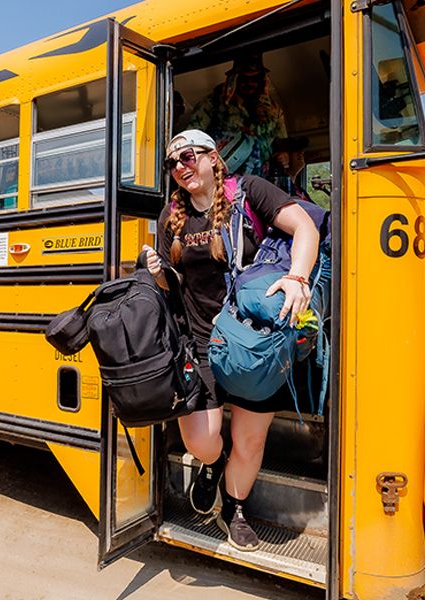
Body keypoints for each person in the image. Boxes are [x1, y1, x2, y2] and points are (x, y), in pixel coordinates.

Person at [143, 130, 319, 551]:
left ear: (212, 157)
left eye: (187, 156)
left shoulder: (249, 192)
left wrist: (297, 277)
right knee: (201, 441)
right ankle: (212, 464)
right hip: (200, 342)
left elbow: (306, 228)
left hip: (253, 341)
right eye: (172, 163)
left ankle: (234, 508)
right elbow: (174, 285)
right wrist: (156, 273)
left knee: (251, 438)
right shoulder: (173, 218)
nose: (180, 167)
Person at [188, 53, 288, 177]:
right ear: (234, 79)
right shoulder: (213, 103)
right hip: (222, 175)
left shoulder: (274, 110)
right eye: (244, 79)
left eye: (255, 79)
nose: (249, 84)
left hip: (260, 178)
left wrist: (283, 155)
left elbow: (281, 141)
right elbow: (191, 137)